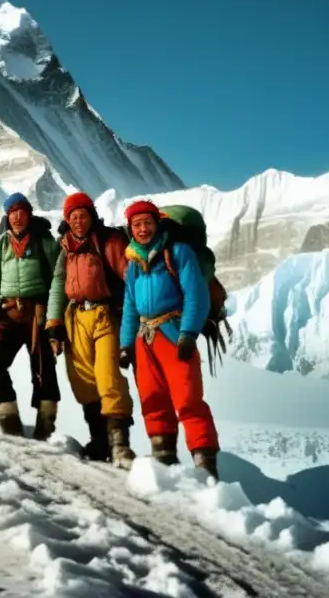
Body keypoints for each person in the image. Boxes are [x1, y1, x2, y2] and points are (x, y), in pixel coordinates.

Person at [119, 199, 220, 479]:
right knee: (152, 399)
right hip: (144, 339)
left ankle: (206, 466)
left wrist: (188, 334)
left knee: (188, 399)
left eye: (147, 223)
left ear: (157, 224)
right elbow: (129, 305)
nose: (142, 229)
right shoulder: (134, 263)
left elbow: (196, 295)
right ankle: (163, 459)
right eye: (136, 224)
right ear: (131, 229)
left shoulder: (178, 252)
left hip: (173, 333)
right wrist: (126, 344)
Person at [46, 192, 136, 468]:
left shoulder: (108, 241)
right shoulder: (66, 248)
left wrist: (132, 320)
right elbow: (58, 286)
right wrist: (54, 323)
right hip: (76, 318)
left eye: (82, 215)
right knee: (82, 380)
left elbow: (129, 276)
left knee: (108, 375)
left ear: (91, 216)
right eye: (72, 217)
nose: (78, 221)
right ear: (67, 220)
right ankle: (99, 440)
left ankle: (120, 444)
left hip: (105, 314)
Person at [0, 192, 62, 438]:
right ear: (7, 216)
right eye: (13, 212)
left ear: (29, 214)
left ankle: (45, 425)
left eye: (22, 211)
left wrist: (54, 316)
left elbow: (59, 279)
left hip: (38, 315)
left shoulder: (45, 241)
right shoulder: (0, 244)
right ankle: (8, 416)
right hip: (8, 315)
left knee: (44, 369)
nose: (17, 217)